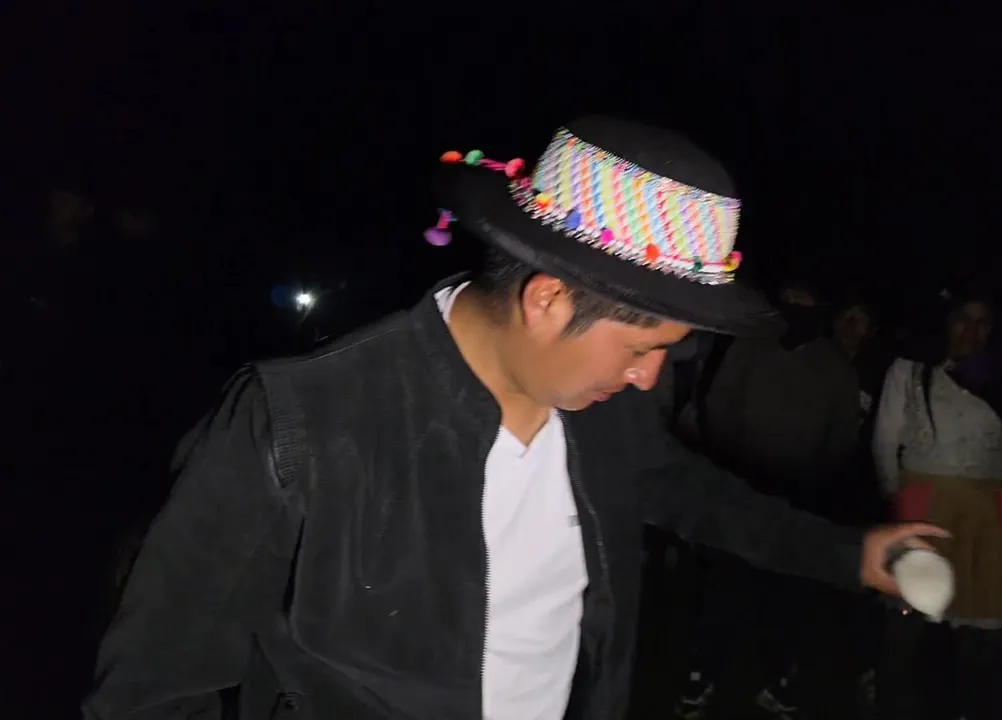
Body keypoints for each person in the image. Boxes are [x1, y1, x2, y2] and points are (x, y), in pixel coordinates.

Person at [83, 116, 944, 720]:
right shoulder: (300, 423)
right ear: (547, 301)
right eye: (641, 348)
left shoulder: (600, 414)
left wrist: (848, 554)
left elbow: (696, 497)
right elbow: (151, 686)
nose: (650, 379)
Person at [675, 281, 863, 718]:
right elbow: (718, 407)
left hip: (797, 499)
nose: (796, 309)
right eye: (791, 299)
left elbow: (841, 436)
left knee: (785, 596)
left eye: (806, 302)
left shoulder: (834, 364)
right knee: (723, 589)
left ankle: (778, 680)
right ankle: (702, 675)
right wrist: (732, 468)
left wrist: (813, 483)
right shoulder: (750, 346)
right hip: (740, 491)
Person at [872, 286, 1002, 720]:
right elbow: (885, 440)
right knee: (908, 619)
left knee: (979, 622)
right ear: (945, 322)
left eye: (982, 322)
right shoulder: (911, 369)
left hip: (984, 511)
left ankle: (970, 708)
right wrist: (898, 498)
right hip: (922, 505)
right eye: (962, 320)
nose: (972, 331)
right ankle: (892, 704)